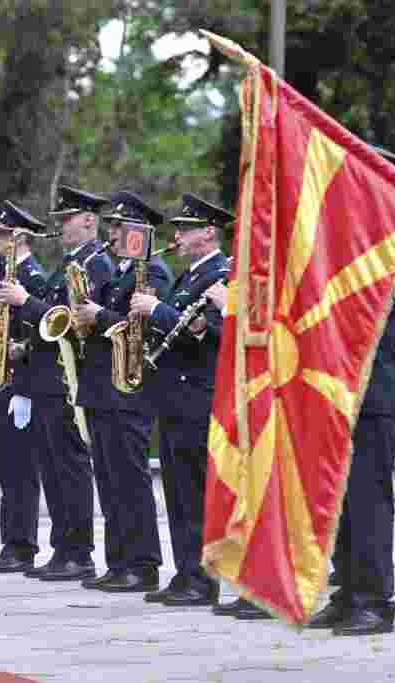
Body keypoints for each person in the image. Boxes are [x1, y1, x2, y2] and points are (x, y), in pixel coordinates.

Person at [0, 186, 113, 581]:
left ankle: (77, 551)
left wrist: (23, 301)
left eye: (67, 219)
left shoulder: (97, 264)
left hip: (68, 378)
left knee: (70, 467)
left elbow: (68, 319)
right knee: (53, 468)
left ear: (88, 221)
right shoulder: (68, 264)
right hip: (49, 377)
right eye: (60, 219)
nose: (61, 226)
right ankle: (63, 547)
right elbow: (51, 321)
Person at [130, 193, 231, 607]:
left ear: (209, 232)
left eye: (186, 228)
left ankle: (202, 579)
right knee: (178, 492)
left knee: (195, 492)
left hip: (198, 395)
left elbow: (211, 333)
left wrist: (155, 309)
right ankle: (186, 572)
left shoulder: (222, 273)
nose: (178, 235)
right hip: (174, 396)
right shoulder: (189, 275)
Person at [71, 190, 173, 593]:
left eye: (119, 226)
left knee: (130, 480)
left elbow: (143, 330)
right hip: (103, 386)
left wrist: (99, 315)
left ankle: (142, 563)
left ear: (138, 231)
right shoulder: (119, 271)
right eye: (111, 225)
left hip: (130, 389)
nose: (111, 233)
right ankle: (119, 561)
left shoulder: (153, 271)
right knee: (110, 479)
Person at [303, 262, 395, 636]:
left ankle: (375, 601)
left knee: (367, 500)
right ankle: (349, 593)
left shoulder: (392, 233)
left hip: (371, 389)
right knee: (338, 502)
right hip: (333, 388)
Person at [0, 201, 52, 574]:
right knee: (9, 469)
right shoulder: (4, 273)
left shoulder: (33, 277)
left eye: (2, 234)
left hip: (22, 384)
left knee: (20, 470)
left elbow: (47, 335)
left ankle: (21, 546)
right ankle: (11, 542)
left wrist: (24, 386)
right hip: (2, 381)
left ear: (18, 238)